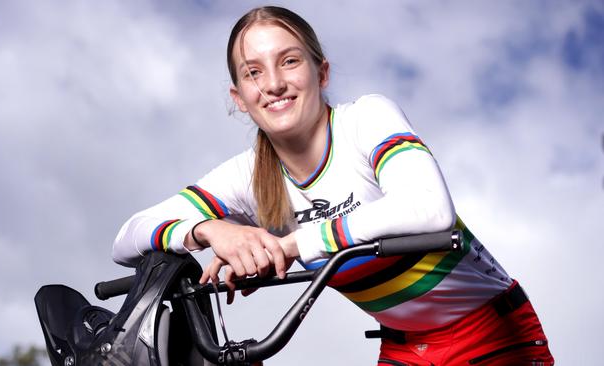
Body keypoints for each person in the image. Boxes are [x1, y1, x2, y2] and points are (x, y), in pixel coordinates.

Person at [113, 6, 554, 365]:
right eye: (253, 73)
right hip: (406, 347)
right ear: (239, 99)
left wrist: (289, 245)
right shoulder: (245, 177)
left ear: (321, 73)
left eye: (289, 61)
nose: (274, 84)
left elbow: (427, 208)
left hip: (492, 333)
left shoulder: (365, 119)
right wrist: (210, 231)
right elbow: (127, 237)